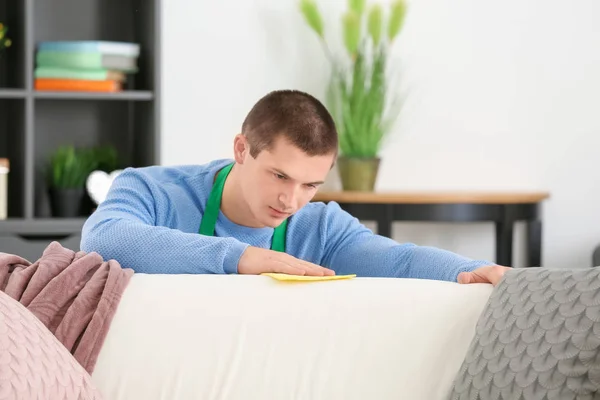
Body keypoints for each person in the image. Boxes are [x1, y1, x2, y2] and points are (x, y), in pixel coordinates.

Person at [80, 89, 509, 285]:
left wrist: (470, 270)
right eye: (280, 176)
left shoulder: (319, 226)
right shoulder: (153, 189)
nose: (291, 200)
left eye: (310, 185)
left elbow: (397, 260)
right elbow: (104, 237)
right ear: (242, 149)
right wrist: (245, 258)